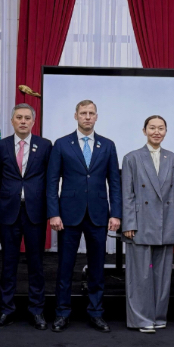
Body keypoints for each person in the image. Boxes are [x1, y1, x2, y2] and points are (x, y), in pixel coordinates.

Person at [47, 100, 122, 333]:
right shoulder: (61, 144)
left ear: (96, 117)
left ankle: (96, 312)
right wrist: (53, 213)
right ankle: (62, 313)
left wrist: (116, 214)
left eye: (91, 113)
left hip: (98, 215)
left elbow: (115, 183)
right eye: (83, 113)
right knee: (65, 267)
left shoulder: (107, 145)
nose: (87, 117)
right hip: (68, 215)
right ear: (76, 116)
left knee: (97, 268)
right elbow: (52, 182)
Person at [0, 104, 52, 330]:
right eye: (19, 117)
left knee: (36, 263)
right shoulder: (1, 146)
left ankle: (37, 310)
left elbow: (50, 177)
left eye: (27, 118)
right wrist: (11, 193)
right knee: (8, 263)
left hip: (35, 212)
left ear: (33, 121)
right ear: (12, 121)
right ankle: (6, 309)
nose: (23, 121)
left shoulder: (45, 146)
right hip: (9, 211)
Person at [121, 115, 174, 333]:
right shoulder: (131, 158)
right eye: (152, 128)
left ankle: (158, 316)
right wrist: (129, 223)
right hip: (140, 223)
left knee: (162, 275)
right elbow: (127, 194)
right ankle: (141, 318)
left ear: (166, 131)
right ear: (144, 131)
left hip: (167, 222)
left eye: (161, 128)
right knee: (141, 275)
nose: (156, 132)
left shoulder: (173, 158)